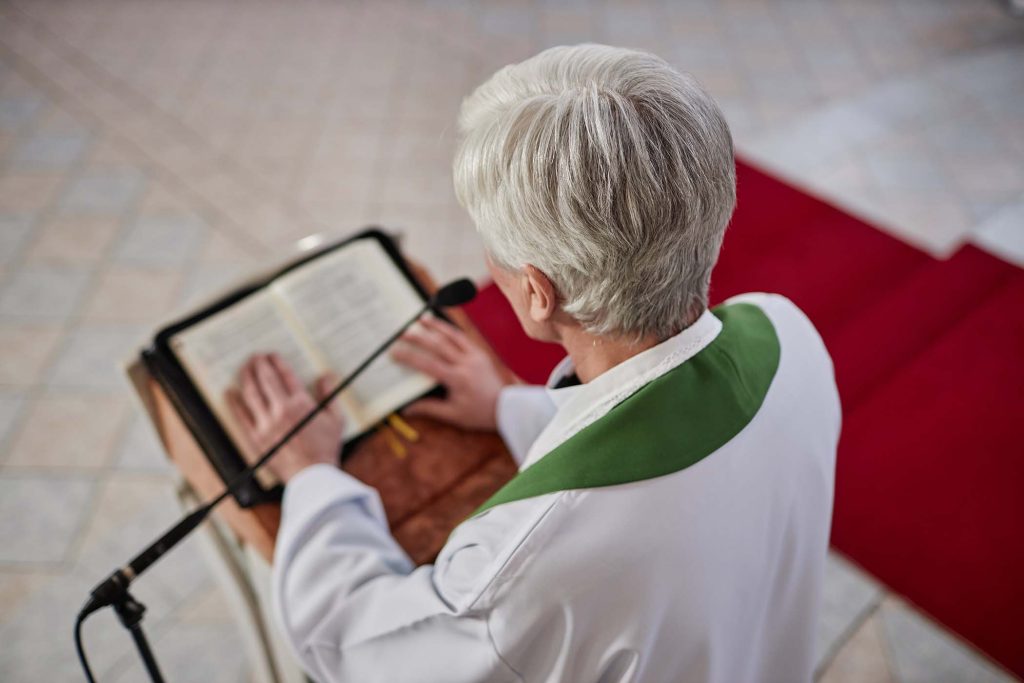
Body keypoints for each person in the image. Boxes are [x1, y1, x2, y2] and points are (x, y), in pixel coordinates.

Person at [229, 44, 840, 683]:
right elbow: (684, 450)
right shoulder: (787, 333)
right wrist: (508, 406)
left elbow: (359, 646)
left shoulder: (521, 572)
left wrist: (311, 477)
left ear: (536, 291)